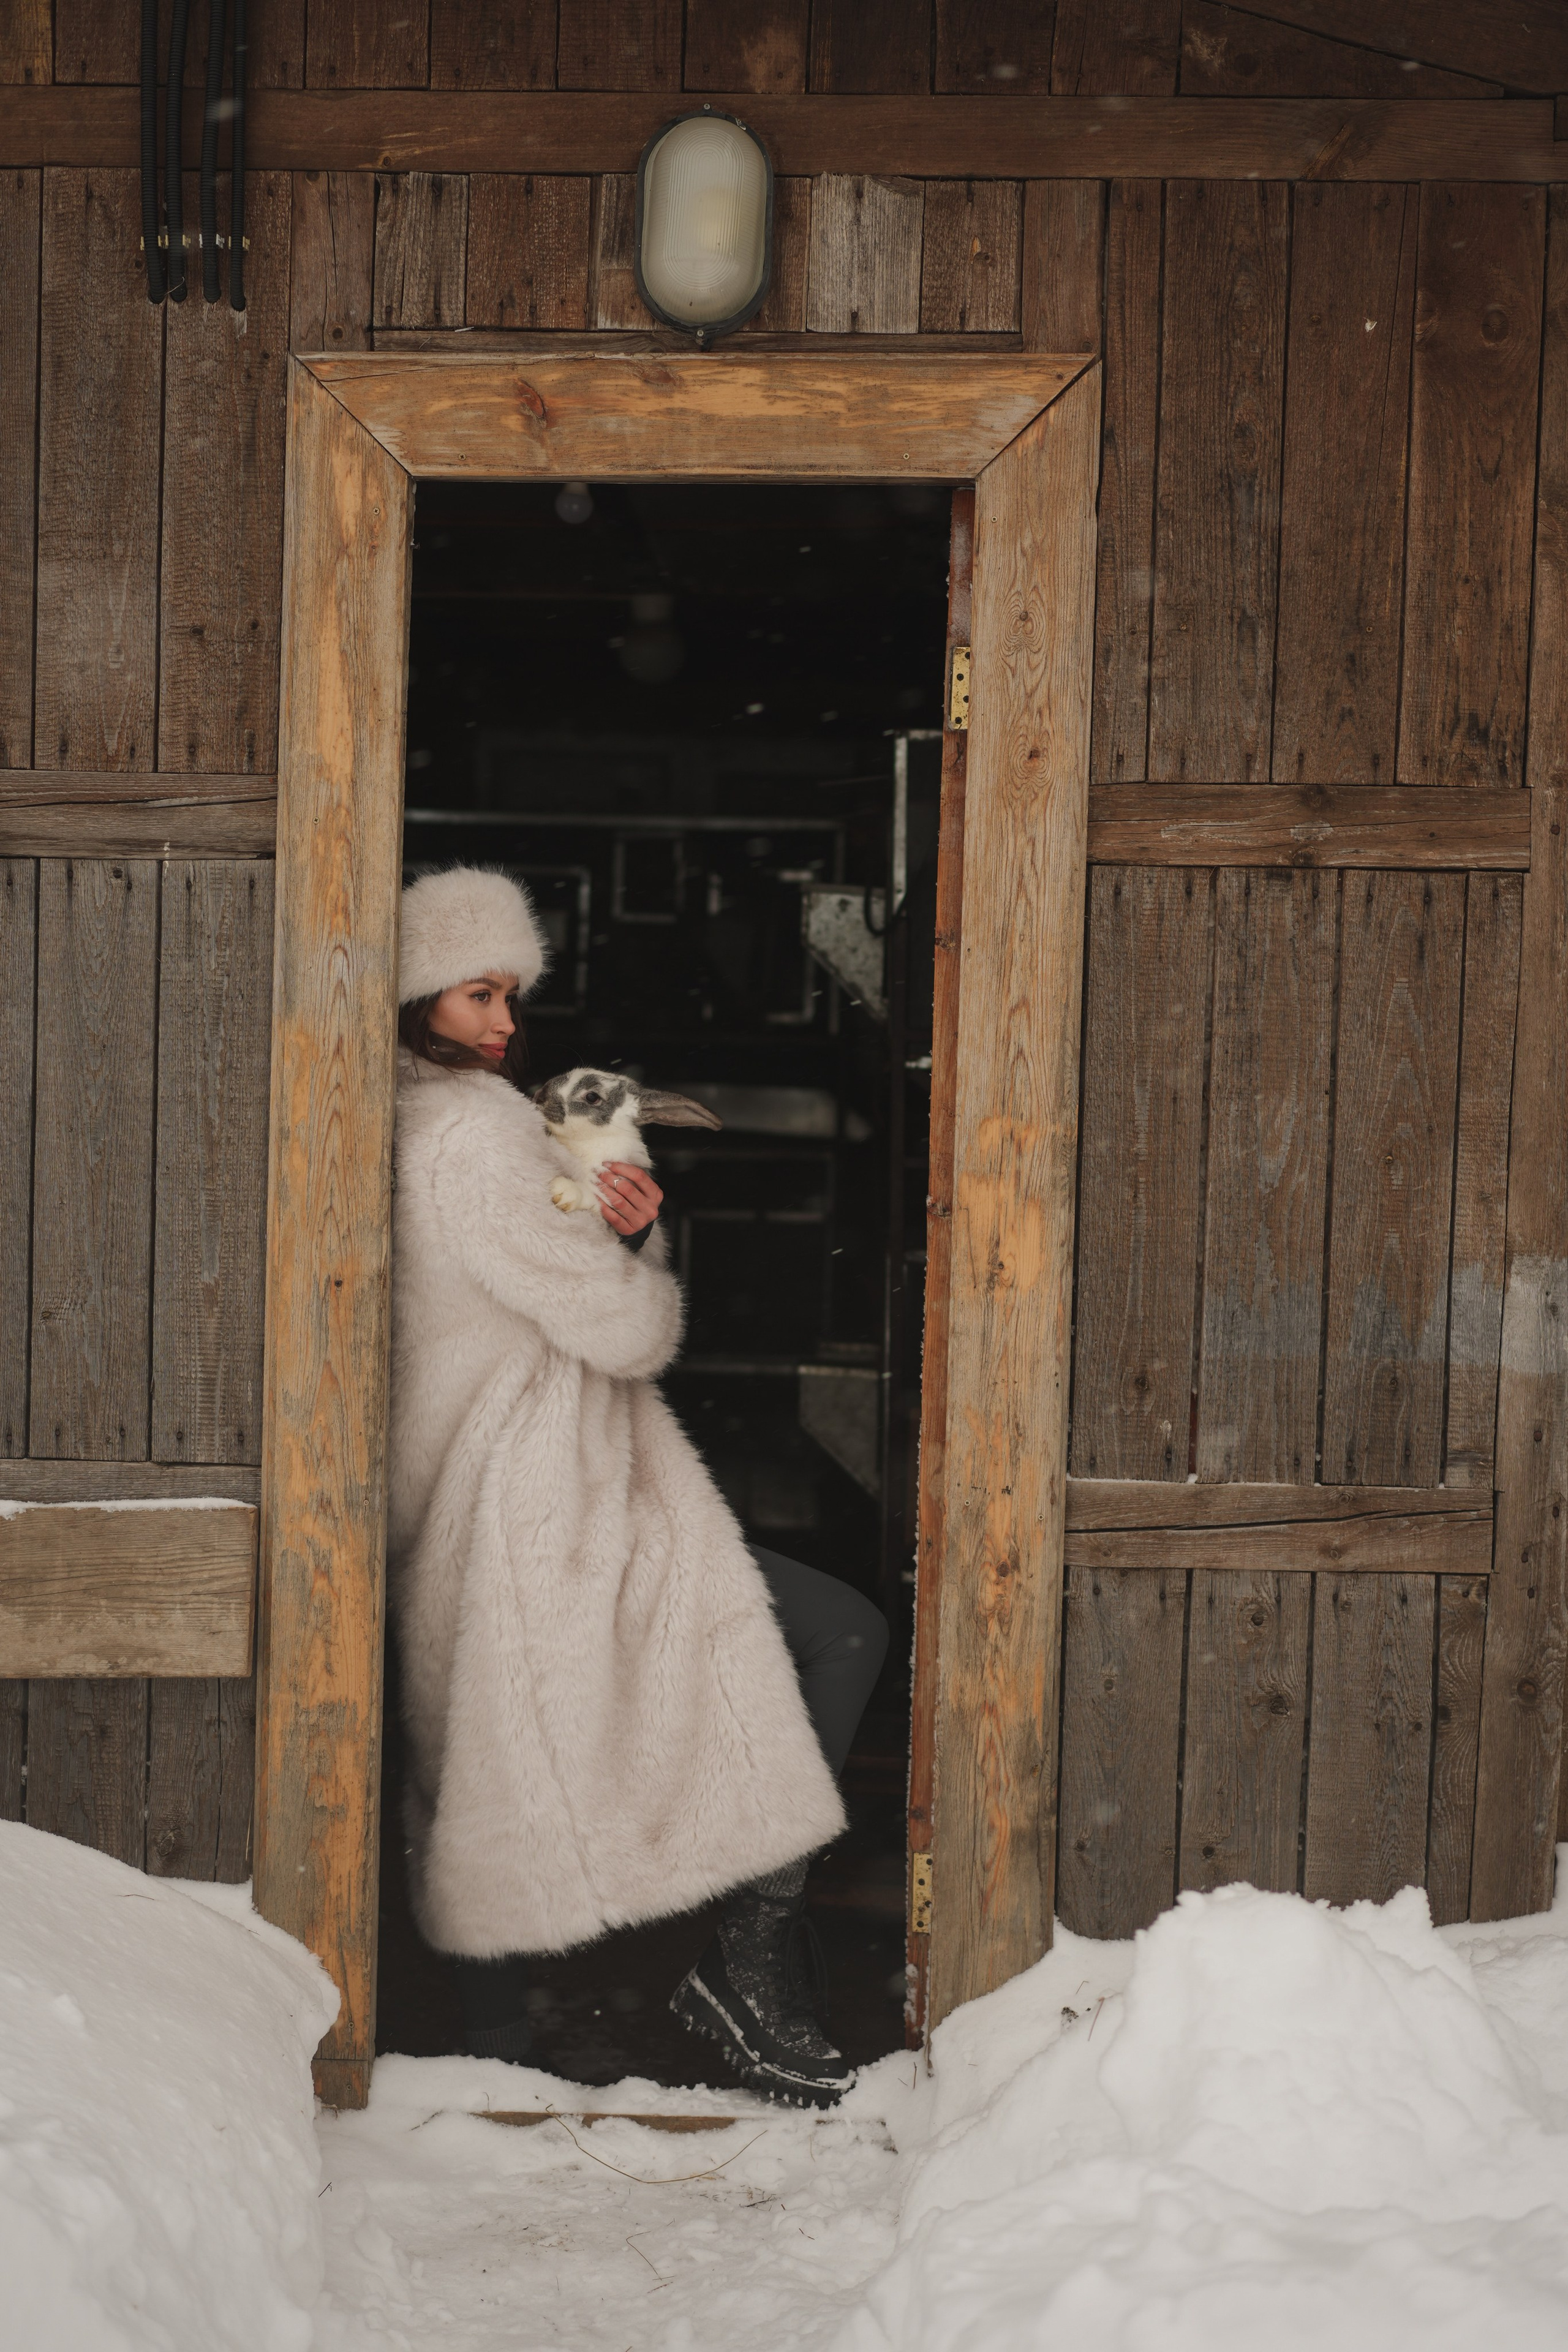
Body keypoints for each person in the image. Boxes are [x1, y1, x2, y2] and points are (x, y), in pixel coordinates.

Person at [388, 866, 889, 2108]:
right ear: (414, 994)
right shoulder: (469, 1131)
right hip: (542, 1499)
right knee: (841, 1631)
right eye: (477, 991)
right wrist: (633, 1253)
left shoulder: (412, 1121)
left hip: (490, 1493)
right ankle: (740, 1958)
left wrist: (606, 1225)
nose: (504, 1020)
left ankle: (504, 2035)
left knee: (477, 1755)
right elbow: (620, 1334)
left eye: (511, 993)